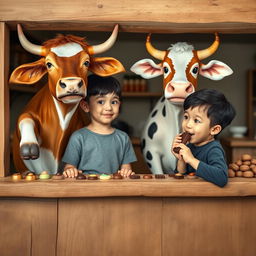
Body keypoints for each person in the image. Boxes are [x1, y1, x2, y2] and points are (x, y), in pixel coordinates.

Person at [62, 74, 137, 178]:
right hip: (85, 188)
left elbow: (127, 168)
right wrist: (70, 170)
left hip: (112, 188)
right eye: (101, 102)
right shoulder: (78, 137)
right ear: (86, 106)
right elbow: (69, 167)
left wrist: (126, 171)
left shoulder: (123, 138)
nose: (109, 107)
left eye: (114, 102)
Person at [171, 89, 236, 187]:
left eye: (196, 120)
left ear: (214, 130)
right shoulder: (190, 147)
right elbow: (182, 177)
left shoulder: (214, 149)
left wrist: (191, 160)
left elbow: (222, 178)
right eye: (186, 117)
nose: (188, 124)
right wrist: (181, 160)